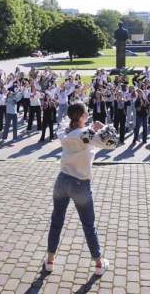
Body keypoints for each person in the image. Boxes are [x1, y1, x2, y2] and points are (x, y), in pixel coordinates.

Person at [44, 102, 117, 275]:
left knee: (56, 221)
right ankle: (99, 264)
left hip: (62, 180)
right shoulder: (86, 133)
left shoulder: (64, 131)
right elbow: (112, 142)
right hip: (80, 183)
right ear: (83, 116)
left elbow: (64, 121)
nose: (89, 112)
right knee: (88, 225)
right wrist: (103, 127)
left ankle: (49, 260)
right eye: (87, 111)